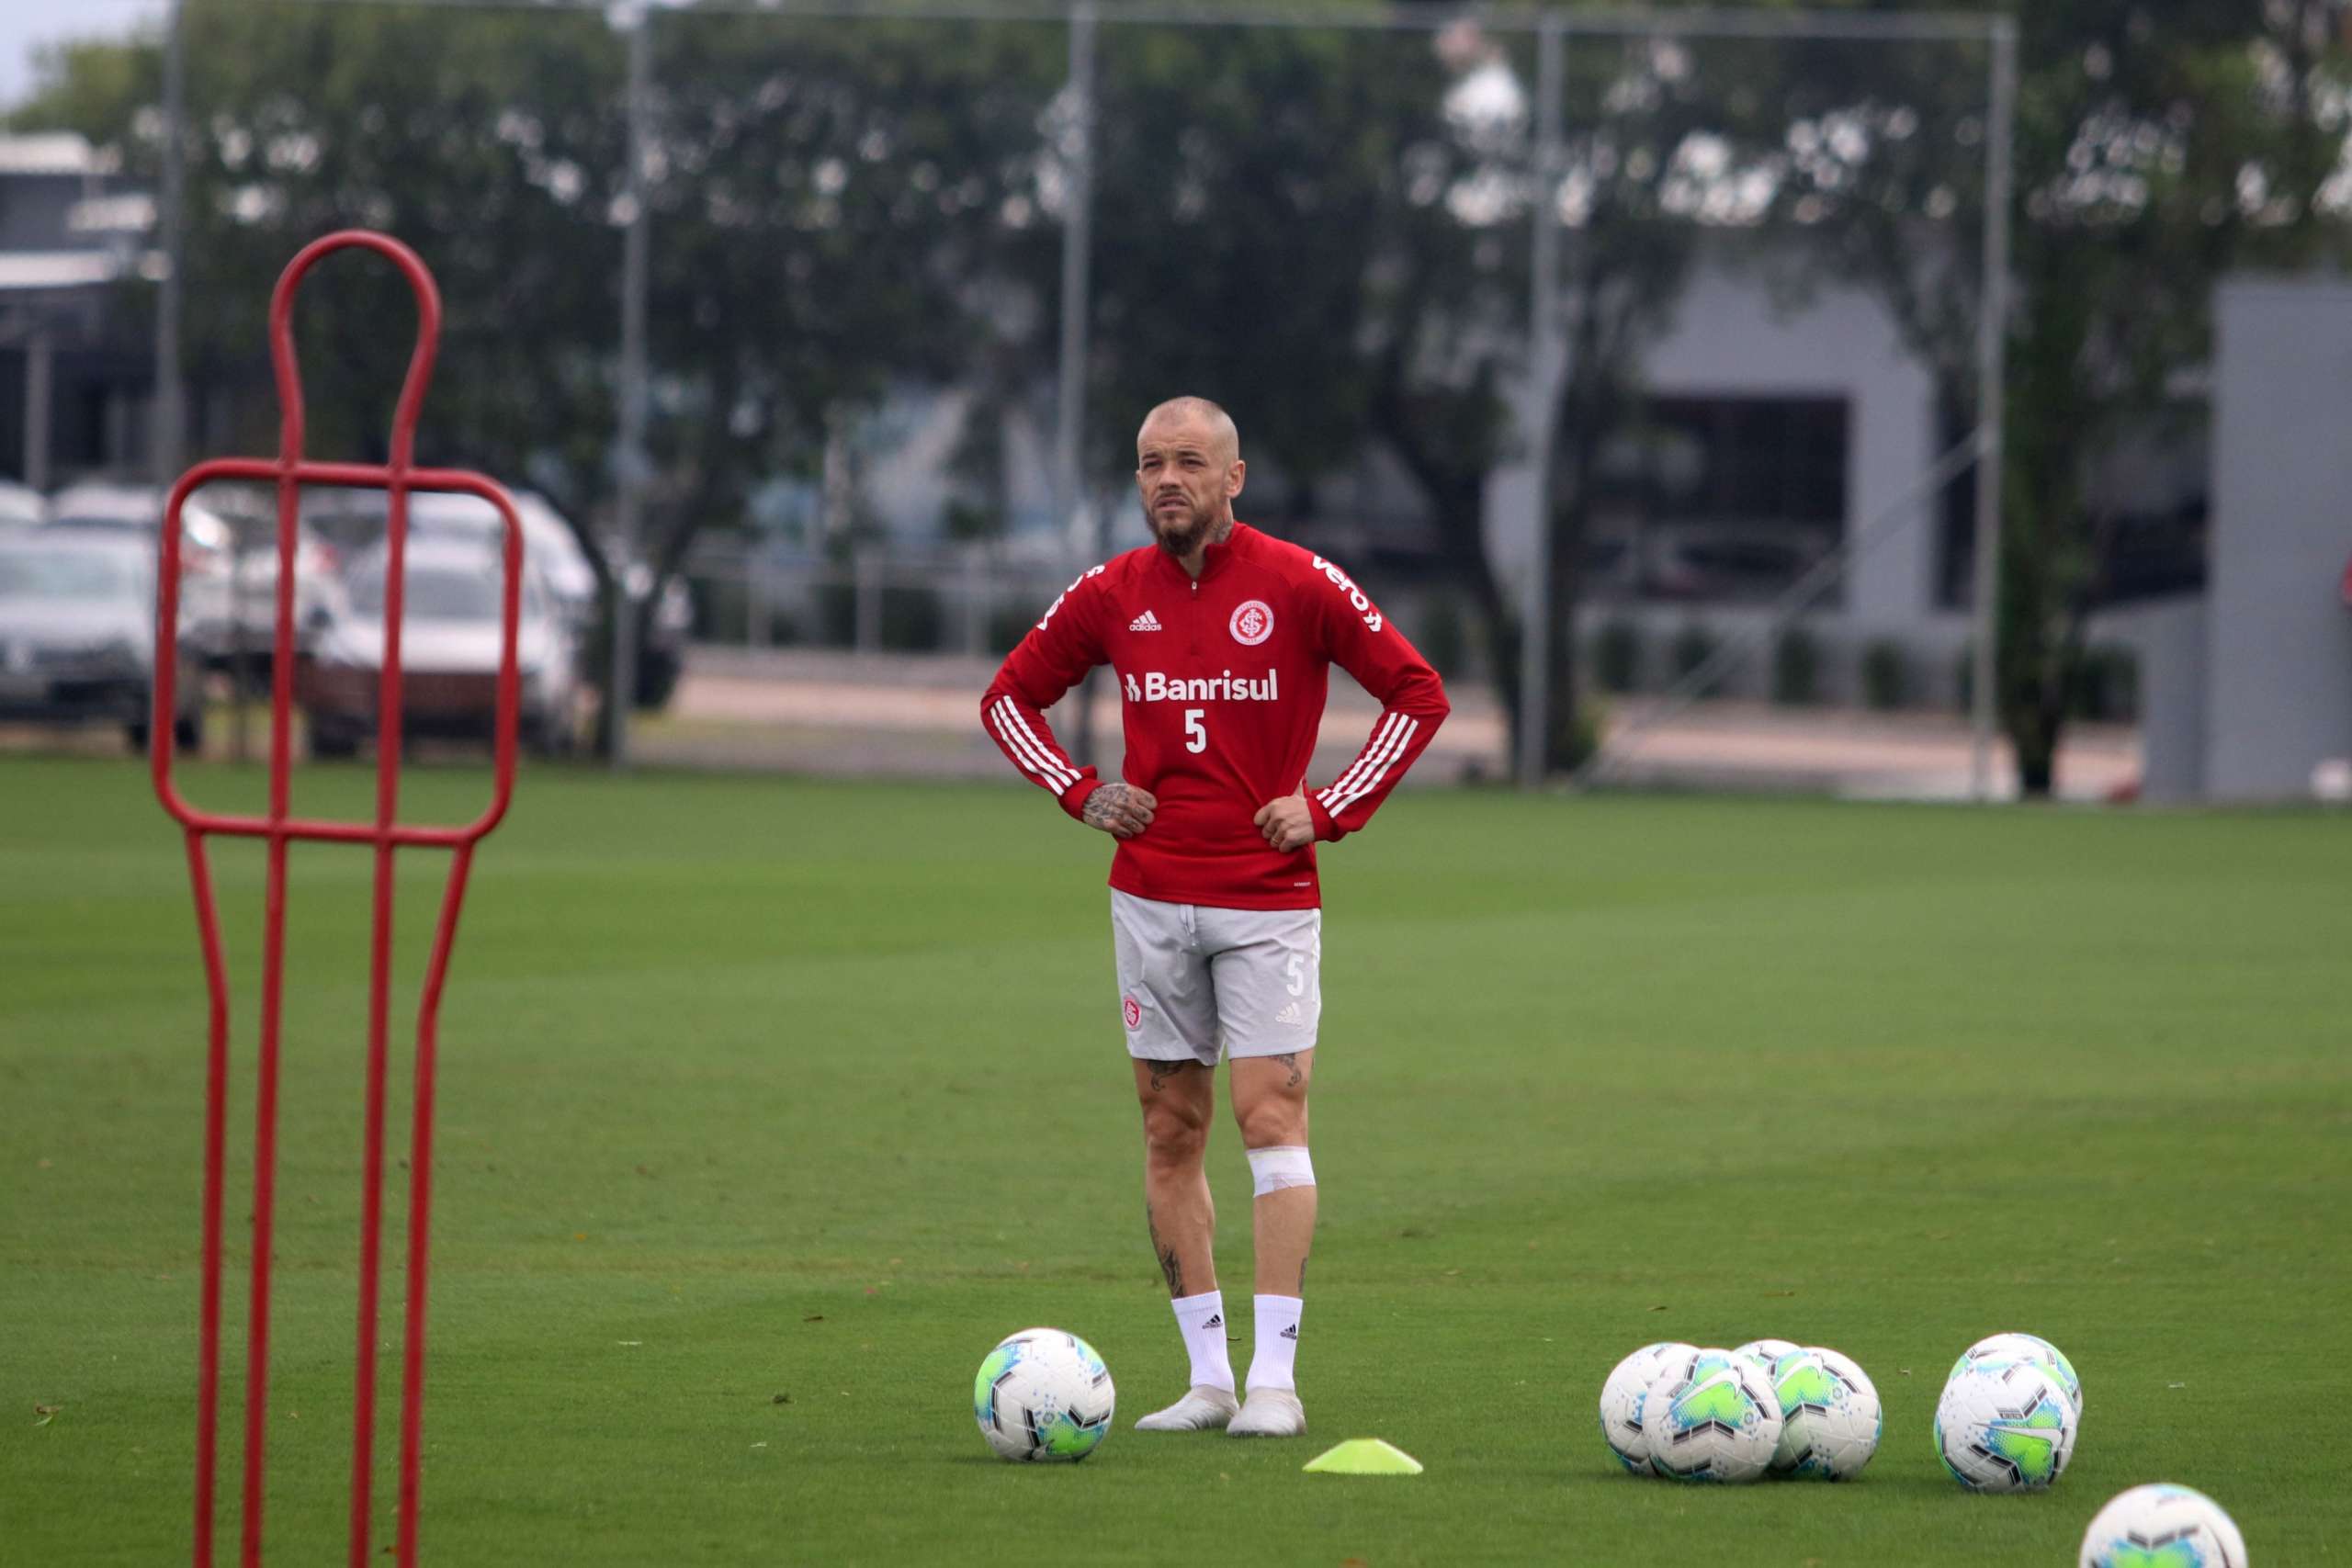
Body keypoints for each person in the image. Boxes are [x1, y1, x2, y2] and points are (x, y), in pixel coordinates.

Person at [978, 396, 1450, 1438]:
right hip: (1148, 900)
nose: (1166, 481)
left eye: (1189, 463)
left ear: (1234, 477)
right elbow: (1008, 700)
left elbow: (1418, 693)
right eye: (1151, 464)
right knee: (1168, 1129)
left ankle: (1275, 1384)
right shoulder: (1111, 591)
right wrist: (1079, 788)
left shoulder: (1297, 580)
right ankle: (1208, 1383)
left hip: (1266, 902)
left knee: (1269, 1121)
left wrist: (1328, 808)